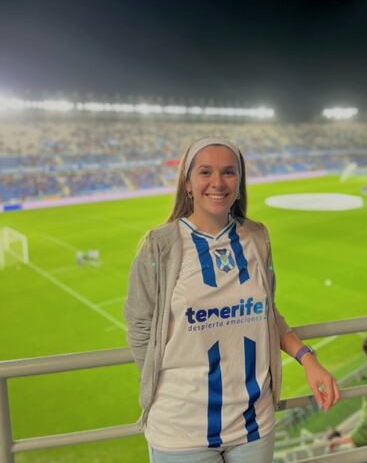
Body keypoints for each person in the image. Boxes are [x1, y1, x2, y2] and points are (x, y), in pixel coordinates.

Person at [125, 137, 340, 463]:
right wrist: (175, 389)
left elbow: (268, 313)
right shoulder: (160, 245)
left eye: (229, 172)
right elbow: (140, 328)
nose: (218, 182)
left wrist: (307, 359)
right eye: (205, 172)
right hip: (181, 429)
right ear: (188, 182)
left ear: (239, 183)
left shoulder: (257, 237)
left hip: (254, 425)